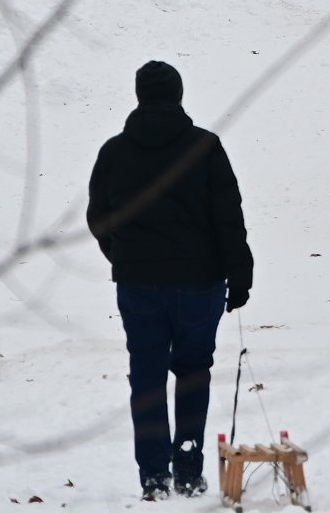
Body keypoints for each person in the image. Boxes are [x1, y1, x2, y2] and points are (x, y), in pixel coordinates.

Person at [87, 61, 254, 501]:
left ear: (140, 95)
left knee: (146, 375)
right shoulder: (205, 147)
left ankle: (154, 475)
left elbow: (99, 217)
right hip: (199, 284)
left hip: (139, 285)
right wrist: (238, 274)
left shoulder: (114, 152)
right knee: (194, 371)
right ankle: (187, 464)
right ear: (178, 95)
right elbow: (227, 217)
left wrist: (122, 257)